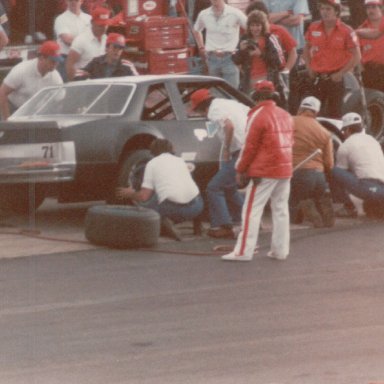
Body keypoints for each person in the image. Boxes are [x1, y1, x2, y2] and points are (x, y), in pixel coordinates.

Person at [221, 80, 294, 262]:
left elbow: (249, 147)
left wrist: (240, 168)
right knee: (281, 210)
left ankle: (243, 251)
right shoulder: (285, 114)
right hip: (285, 168)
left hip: (264, 170)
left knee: (251, 210)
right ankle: (280, 251)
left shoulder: (257, 115)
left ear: (256, 95)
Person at [190, 88, 249, 239]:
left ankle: (223, 226)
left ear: (202, 107)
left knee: (214, 188)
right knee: (229, 187)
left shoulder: (213, 111)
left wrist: (227, 149)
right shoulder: (229, 103)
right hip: (248, 147)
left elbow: (229, 126)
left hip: (239, 150)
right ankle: (246, 219)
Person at [116, 139, 204, 240]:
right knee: (190, 191)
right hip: (197, 207)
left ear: (153, 151)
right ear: (171, 149)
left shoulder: (152, 164)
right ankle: (198, 228)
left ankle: (165, 223)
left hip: (173, 210)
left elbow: (144, 196)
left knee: (146, 210)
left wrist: (131, 194)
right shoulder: (180, 161)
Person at [302, 0, 361, 119]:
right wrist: (309, 67)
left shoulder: (346, 31)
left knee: (335, 115)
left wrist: (341, 73)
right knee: (311, 113)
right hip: (317, 77)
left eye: (328, 9)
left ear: (337, 11)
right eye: (322, 9)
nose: (324, 12)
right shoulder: (313, 27)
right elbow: (306, 49)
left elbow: (357, 56)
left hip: (335, 79)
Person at [290, 96, 335, 228]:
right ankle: (324, 214)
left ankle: (307, 212)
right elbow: (329, 163)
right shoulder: (325, 132)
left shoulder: (290, 121)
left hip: (298, 172)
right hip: (318, 176)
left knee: (294, 199)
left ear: (300, 109)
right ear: (316, 112)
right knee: (318, 194)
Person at [331, 112, 384, 218]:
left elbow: (342, 172)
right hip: (381, 187)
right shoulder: (373, 140)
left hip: (368, 188)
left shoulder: (346, 145)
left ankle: (348, 207)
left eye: (343, 131)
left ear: (347, 130)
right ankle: (375, 204)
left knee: (334, 171)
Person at [0, 40, 63, 120]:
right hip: (12, 107)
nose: (56, 64)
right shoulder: (22, 70)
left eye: (57, 61)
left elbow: (58, 102)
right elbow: (2, 92)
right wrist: (7, 120)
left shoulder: (56, 77)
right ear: (41, 58)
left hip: (35, 112)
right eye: (53, 61)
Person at [193, 0, 247, 88]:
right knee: (215, 94)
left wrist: (242, 48)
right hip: (212, 59)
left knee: (232, 94)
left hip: (230, 59)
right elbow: (196, 30)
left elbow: (250, 27)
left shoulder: (235, 13)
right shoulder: (204, 14)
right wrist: (201, 47)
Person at [232, 10, 285, 95]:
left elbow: (279, 61)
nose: (255, 28)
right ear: (248, 26)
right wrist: (241, 50)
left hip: (267, 78)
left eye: (258, 25)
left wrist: (260, 54)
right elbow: (235, 60)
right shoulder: (244, 39)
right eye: (252, 25)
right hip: (249, 79)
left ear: (263, 26)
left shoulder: (270, 38)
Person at [65, 6, 111, 81]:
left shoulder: (107, 40)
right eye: (100, 25)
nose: (103, 28)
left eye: (105, 25)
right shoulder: (81, 40)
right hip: (84, 85)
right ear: (92, 22)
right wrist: (74, 84)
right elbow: (70, 64)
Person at [54, 0, 92, 81]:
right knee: (68, 88)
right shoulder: (60, 19)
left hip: (85, 59)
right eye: (71, 0)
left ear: (81, 1)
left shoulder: (89, 19)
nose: (73, 2)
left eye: (76, 0)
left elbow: (94, 38)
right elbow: (67, 40)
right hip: (65, 60)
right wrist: (86, 42)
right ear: (67, 1)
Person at [356, 0, 384, 92]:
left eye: (374, 7)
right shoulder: (361, 29)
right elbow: (356, 52)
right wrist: (360, 68)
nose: (371, 10)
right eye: (368, 7)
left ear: (381, 8)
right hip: (370, 72)